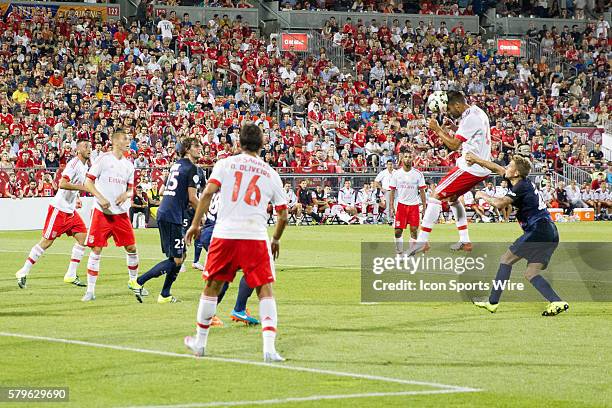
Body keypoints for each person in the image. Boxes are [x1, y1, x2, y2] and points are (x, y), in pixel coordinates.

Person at [183, 123, 288, 362]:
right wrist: (276, 239)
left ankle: (200, 342)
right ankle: (269, 349)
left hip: (225, 233)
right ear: (262, 145)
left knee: (211, 287)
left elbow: (208, 193)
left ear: (238, 144)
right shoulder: (270, 173)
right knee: (265, 290)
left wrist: (196, 224)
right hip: (255, 235)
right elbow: (283, 215)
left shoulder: (225, 164)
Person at [466, 152, 569, 317]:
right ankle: (556, 301)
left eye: (510, 166)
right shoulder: (517, 180)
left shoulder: (521, 186)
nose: (506, 168)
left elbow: (500, 204)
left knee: (506, 260)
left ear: (515, 173)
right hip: (550, 232)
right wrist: (476, 160)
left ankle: (492, 303)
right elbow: (497, 167)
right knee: (531, 273)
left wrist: (482, 195)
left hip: (539, 229)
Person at [412, 91, 491, 255]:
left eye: (449, 109)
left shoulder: (469, 118)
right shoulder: (477, 111)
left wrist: (438, 130)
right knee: (453, 198)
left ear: (457, 105)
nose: (448, 112)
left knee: (436, 195)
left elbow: (454, 145)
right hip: (481, 165)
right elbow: (474, 134)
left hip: (470, 167)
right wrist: (455, 128)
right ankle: (465, 241)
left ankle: (422, 241)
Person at [15, 139, 92, 289]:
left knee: (83, 238)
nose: (89, 149)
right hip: (59, 209)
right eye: (86, 146)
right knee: (46, 242)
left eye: (90, 146)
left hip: (70, 210)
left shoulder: (84, 165)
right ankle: (23, 271)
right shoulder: (74, 164)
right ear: (78, 150)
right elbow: (62, 183)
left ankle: (70, 274)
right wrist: (82, 188)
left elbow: (73, 185)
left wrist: (76, 197)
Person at [135, 137, 201, 303]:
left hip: (168, 212)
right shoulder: (191, 168)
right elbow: (193, 198)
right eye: (196, 146)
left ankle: (165, 294)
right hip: (172, 215)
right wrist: (204, 214)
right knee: (177, 258)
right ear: (187, 149)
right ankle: (138, 282)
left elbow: (165, 190)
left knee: (182, 255)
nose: (200, 148)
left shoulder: (176, 165)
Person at [82, 130, 144, 302]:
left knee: (131, 248)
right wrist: (100, 198)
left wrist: (127, 195)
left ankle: (133, 282)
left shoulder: (129, 165)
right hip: (102, 213)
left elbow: (131, 189)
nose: (128, 142)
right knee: (96, 249)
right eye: (125, 139)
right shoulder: (103, 159)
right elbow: (88, 181)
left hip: (121, 213)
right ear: (116, 141)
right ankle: (90, 290)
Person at [192, 190, 260, 326]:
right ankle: (238, 309)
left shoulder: (221, 185)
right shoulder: (234, 188)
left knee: (225, 276)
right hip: (221, 235)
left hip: (210, 232)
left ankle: (210, 314)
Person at [389, 152, 426, 254]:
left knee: (414, 230)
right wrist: (391, 206)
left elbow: (422, 191)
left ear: (412, 159)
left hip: (414, 206)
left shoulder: (418, 174)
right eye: (406, 157)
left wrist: (424, 207)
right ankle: (399, 252)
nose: (408, 159)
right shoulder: (396, 174)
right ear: (402, 159)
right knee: (398, 231)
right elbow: (392, 191)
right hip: (401, 206)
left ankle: (411, 253)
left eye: (410, 157)